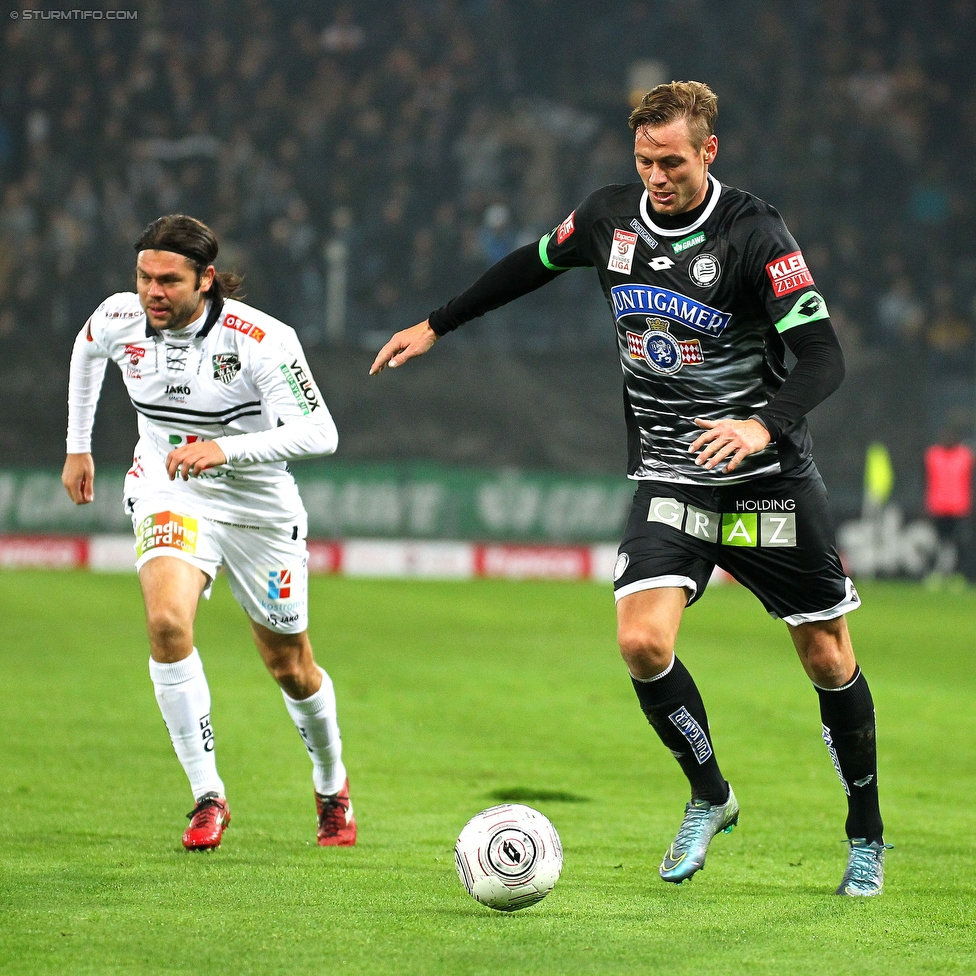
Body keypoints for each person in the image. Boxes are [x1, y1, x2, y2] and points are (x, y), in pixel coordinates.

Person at [371, 82, 889, 895]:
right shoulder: (609, 217)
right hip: (670, 477)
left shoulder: (757, 234)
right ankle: (710, 795)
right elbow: (531, 265)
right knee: (643, 644)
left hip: (765, 486)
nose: (656, 176)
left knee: (827, 658)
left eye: (672, 161)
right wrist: (438, 322)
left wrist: (762, 424)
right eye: (644, 160)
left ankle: (866, 830)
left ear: (708, 151)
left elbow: (825, 355)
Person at [62, 214, 356, 851]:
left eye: (169, 280)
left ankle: (331, 784)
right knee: (167, 623)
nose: (152, 292)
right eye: (144, 277)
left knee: (290, 665)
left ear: (207, 279)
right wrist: (77, 448)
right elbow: (86, 354)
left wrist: (228, 450)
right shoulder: (118, 318)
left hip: (260, 508)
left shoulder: (261, 340)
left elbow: (320, 434)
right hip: (169, 488)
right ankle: (207, 795)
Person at [924, 427, 974, 582]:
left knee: (959, 542)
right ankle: (940, 572)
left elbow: (971, 481)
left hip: (959, 507)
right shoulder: (933, 455)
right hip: (938, 506)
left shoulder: (965, 456)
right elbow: (926, 480)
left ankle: (957, 573)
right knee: (941, 542)